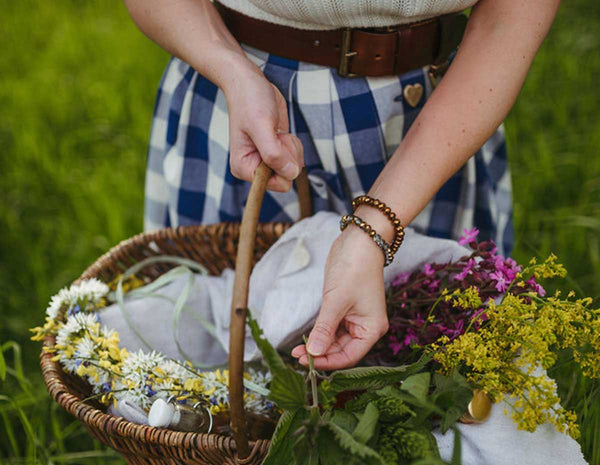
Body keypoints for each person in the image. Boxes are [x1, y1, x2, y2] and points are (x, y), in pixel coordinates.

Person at [124, 0, 560, 371]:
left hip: (434, 122)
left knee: (426, 376)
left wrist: (372, 232)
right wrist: (232, 71)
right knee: (220, 366)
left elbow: (510, 17)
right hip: (242, 98)